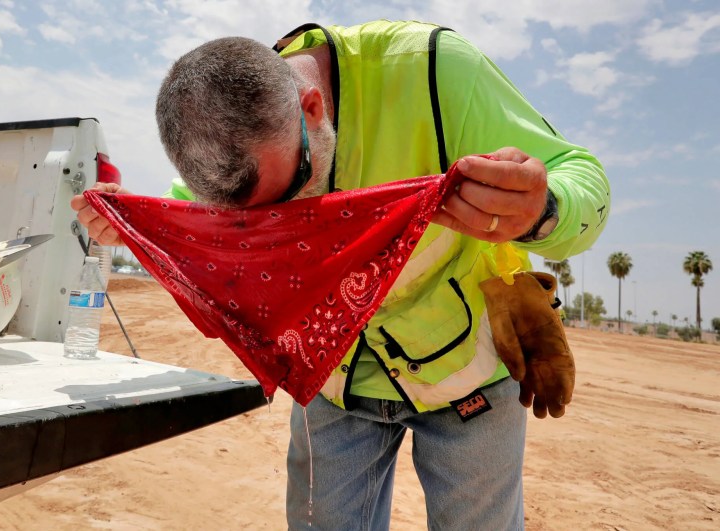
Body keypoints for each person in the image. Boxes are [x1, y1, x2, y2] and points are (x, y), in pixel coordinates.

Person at [72, 20, 609, 530]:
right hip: (335, 381)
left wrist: (542, 211)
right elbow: (193, 219)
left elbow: (584, 180)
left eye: (295, 186)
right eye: (259, 219)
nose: (293, 213)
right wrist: (132, 226)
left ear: (312, 107)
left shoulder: (431, 70)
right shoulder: (243, 139)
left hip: (468, 371)